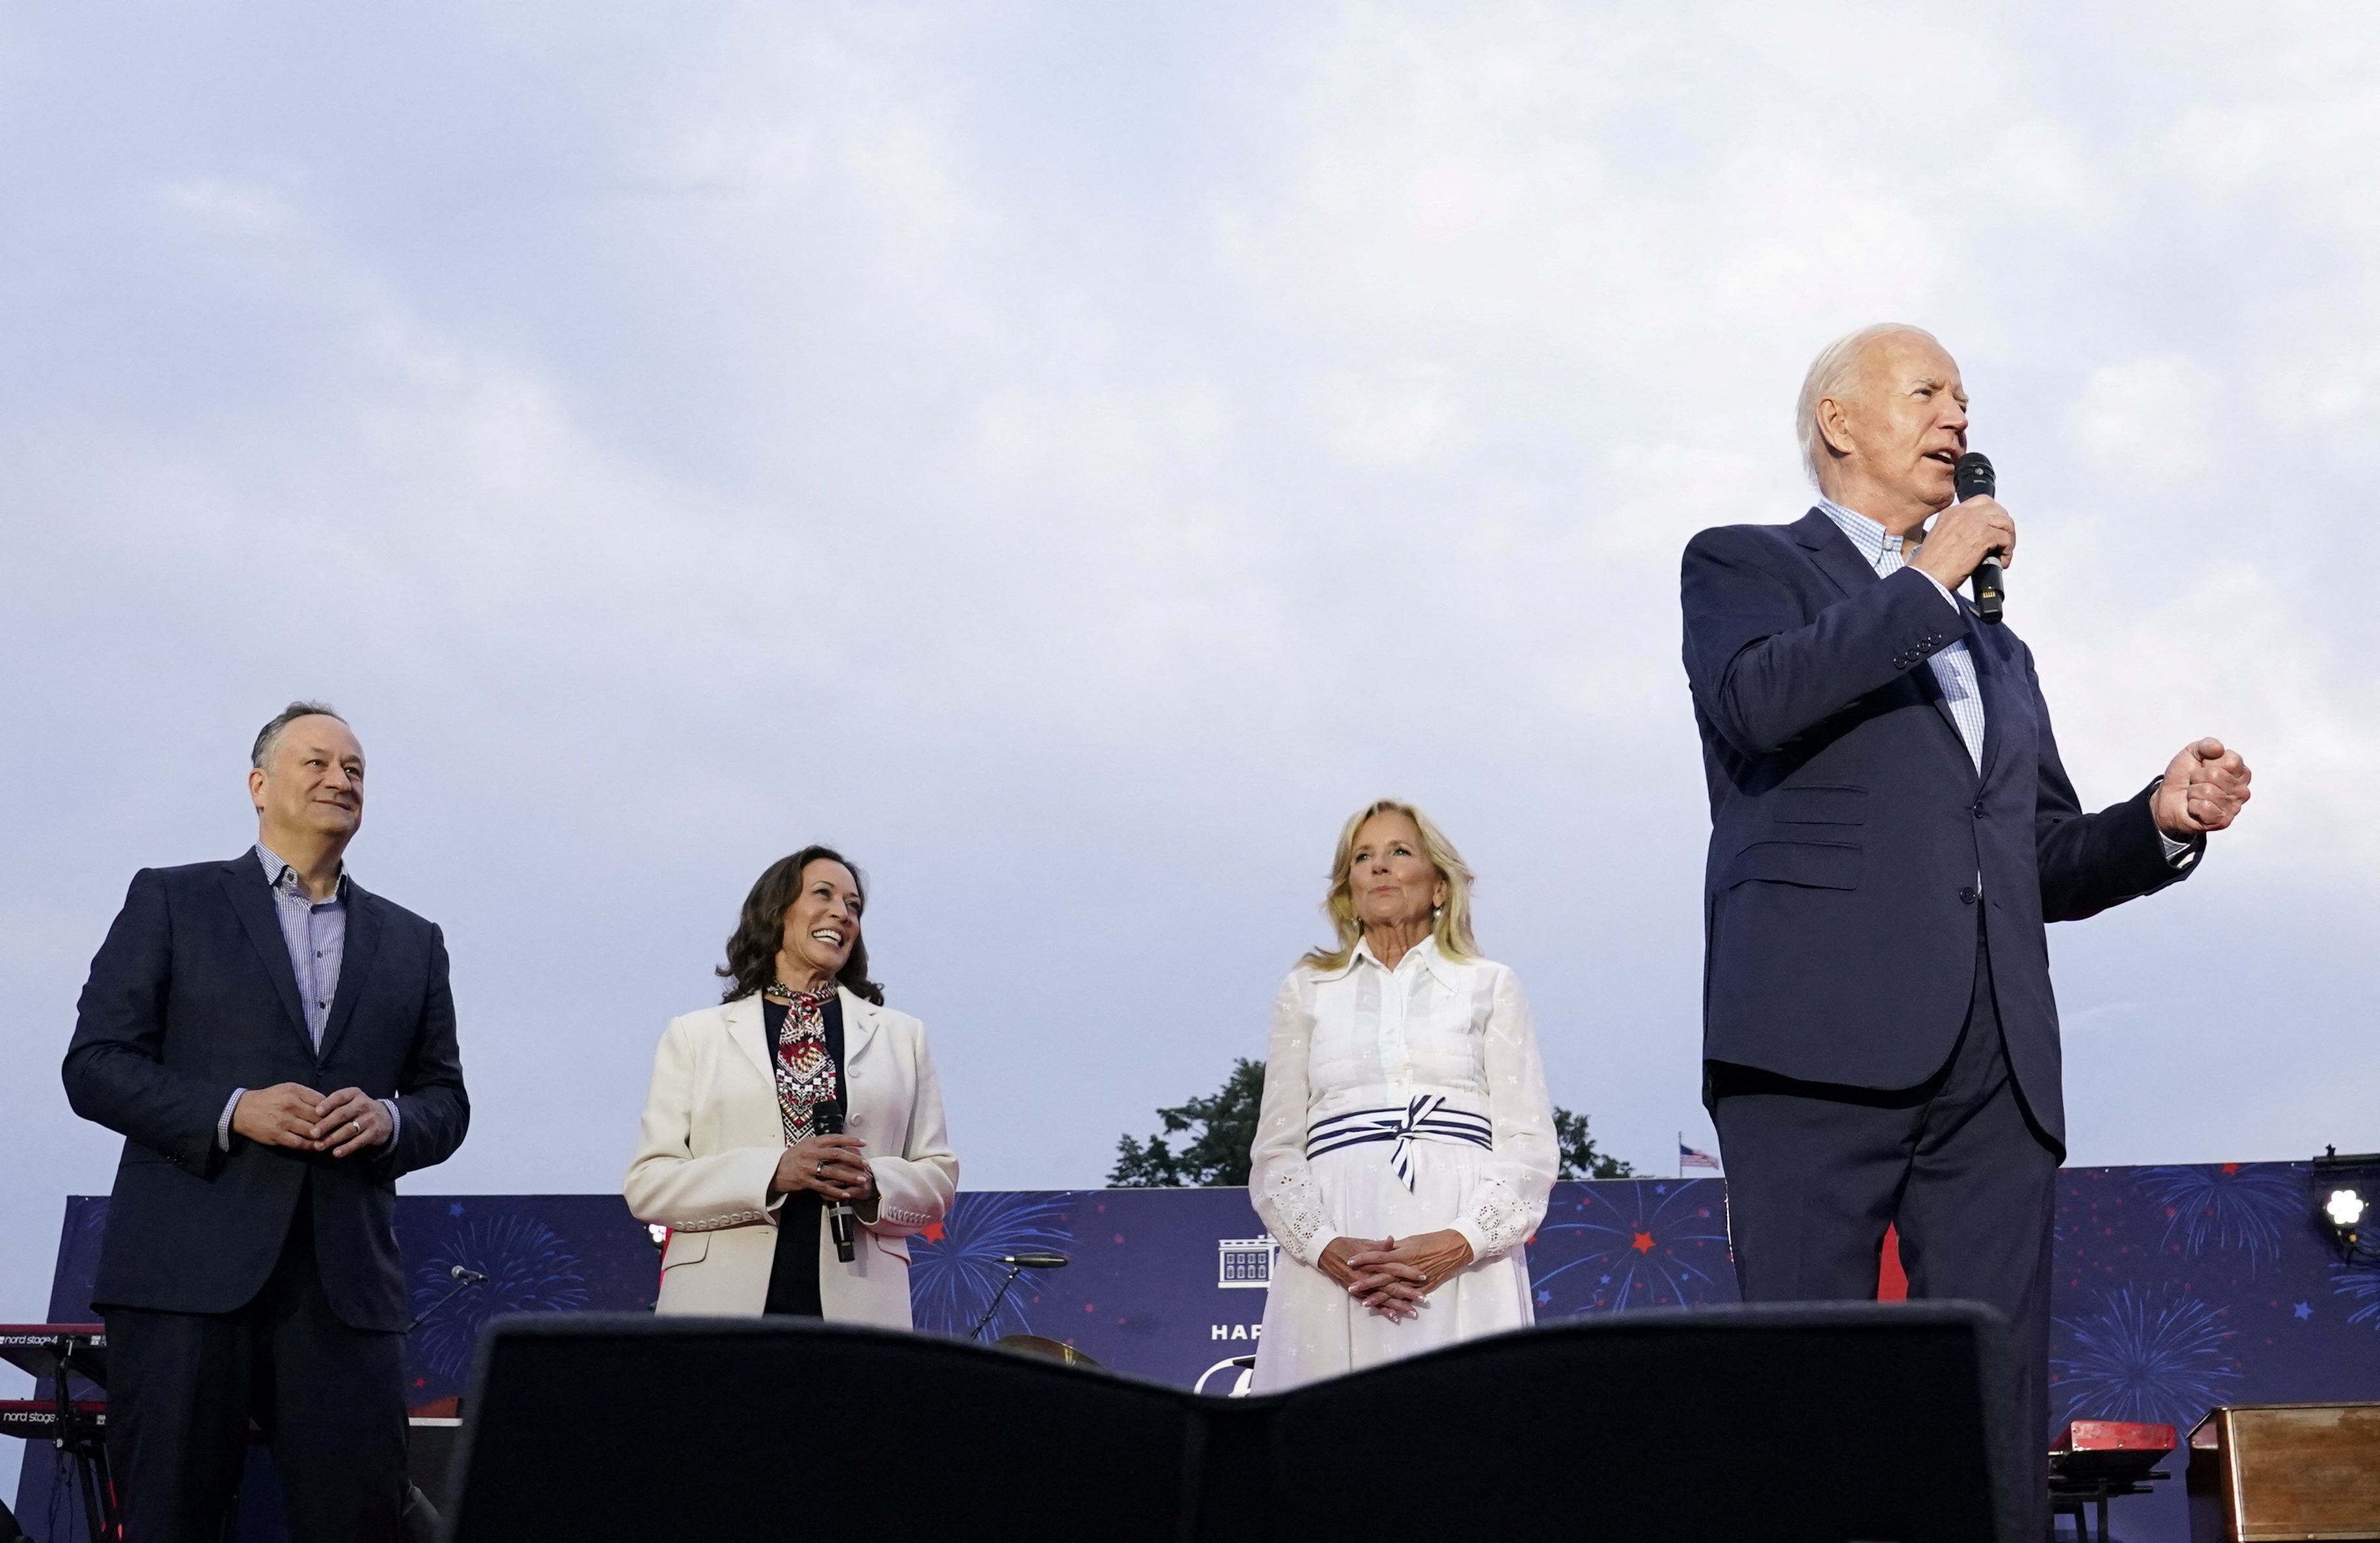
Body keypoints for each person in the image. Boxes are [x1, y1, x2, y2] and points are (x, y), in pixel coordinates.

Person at [1678, 323, 2253, 1529]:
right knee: (1799, 1393)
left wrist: (2155, 819)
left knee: (1992, 1407)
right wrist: (1927, 577)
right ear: (1840, 421)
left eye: (1966, 399)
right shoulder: (1742, 564)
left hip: (1995, 1057)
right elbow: (1759, 704)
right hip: (1812, 1038)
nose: (1958, 417)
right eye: (1928, 391)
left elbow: (2033, 855)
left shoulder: (2001, 651)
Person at [61, 702, 470, 1543]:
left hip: (345, 1297)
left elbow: (447, 1101)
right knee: (171, 1518)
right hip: (184, 1283)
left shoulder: (413, 941)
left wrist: (390, 1120)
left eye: (355, 769)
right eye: (317, 761)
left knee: (361, 1522)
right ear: (258, 785)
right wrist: (233, 1108)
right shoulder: (172, 899)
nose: (340, 779)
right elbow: (94, 1063)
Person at [1248, 800, 1558, 1389]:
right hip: (1335, 1248)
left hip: (1463, 1250)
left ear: (1439, 885)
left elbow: (1529, 1144)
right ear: (1350, 887)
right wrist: (1327, 1247)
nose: (1379, 867)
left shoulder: (1490, 985)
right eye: (1363, 857)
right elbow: (1276, 1150)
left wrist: (1459, 1243)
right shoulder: (1306, 990)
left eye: (1399, 852)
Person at [625, 846, 958, 1322]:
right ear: (776, 911)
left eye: (854, 905)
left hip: (861, 1306)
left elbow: (938, 1177)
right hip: (718, 1308)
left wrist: (871, 1183)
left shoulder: (901, 1036)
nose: (842, 913)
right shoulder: (696, 1036)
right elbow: (649, 1184)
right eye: (823, 894)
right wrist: (773, 1172)